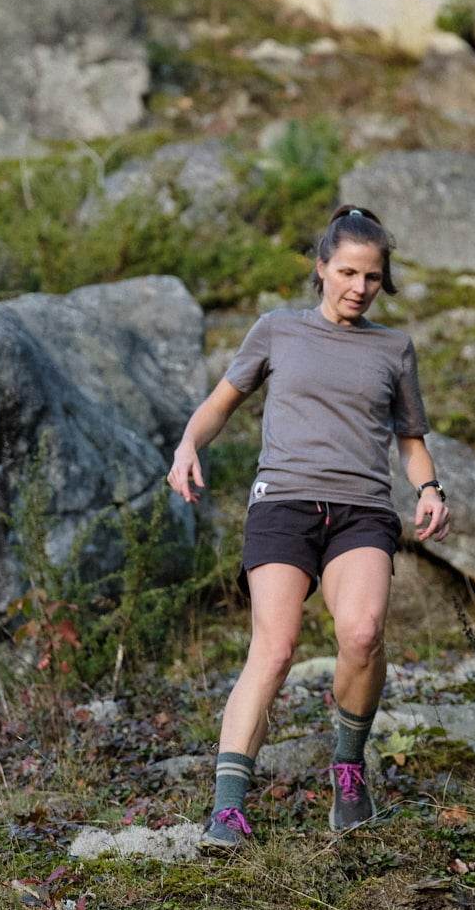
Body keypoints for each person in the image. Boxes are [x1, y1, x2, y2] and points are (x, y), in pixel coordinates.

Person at [166, 204, 450, 845]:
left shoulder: (393, 348)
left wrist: (428, 486)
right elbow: (220, 404)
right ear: (321, 269)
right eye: (347, 272)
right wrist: (189, 447)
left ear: (384, 280)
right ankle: (228, 809)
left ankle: (348, 771)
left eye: (372, 277)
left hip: (361, 510)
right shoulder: (276, 331)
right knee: (277, 645)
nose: (358, 287)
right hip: (284, 505)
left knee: (362, 632)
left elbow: (410, 441)